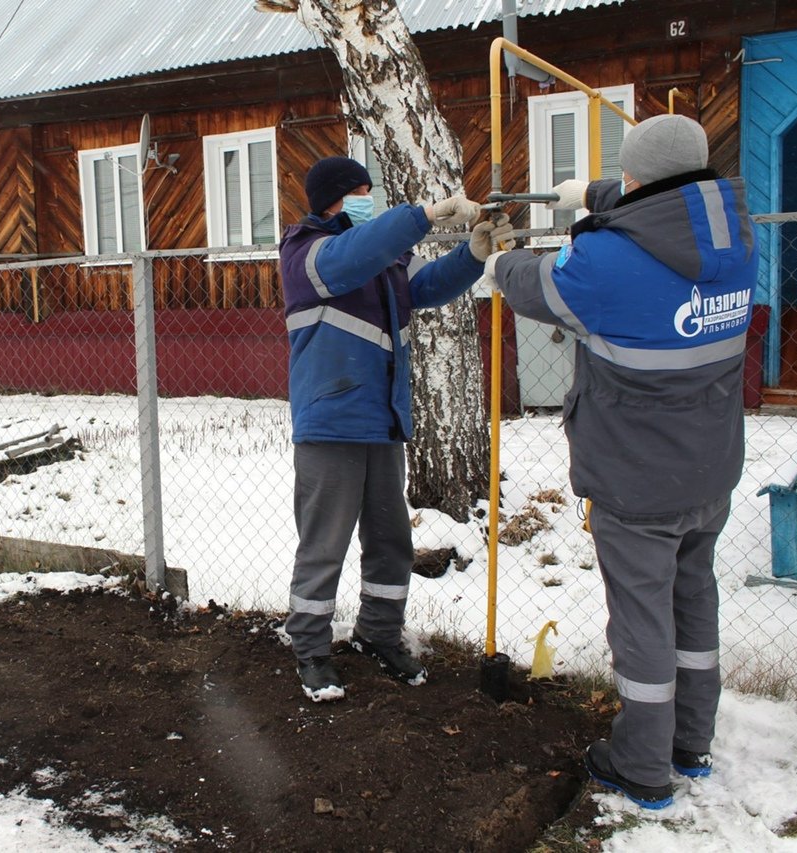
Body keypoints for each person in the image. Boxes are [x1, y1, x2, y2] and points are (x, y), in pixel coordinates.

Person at [482, 114, 758, 808]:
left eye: (625, 177)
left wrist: (494, 260)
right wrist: (592, 193)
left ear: (637, 177)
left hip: (638, 480)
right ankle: (689, 742)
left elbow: (535, 284)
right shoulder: (735, 238)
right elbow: (664, 212)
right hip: (709, 469)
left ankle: (640, 765)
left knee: (642, 624)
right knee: (693, 602)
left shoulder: (605, 265)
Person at [280, 155, 513, 703]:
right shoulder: (308, 251)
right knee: (324, 544)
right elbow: (350, 258)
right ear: (333, 197)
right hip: (332, 421)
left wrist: (473, 254)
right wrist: (424, 215)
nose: (368, 197)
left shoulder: (380, 255)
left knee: (390, 540)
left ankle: (379, 632)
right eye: (360, 190)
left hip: (383, 418)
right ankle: (311, 649)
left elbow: (423, 286)